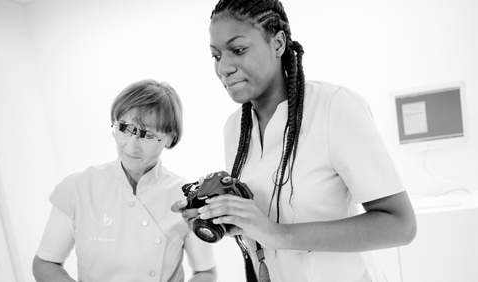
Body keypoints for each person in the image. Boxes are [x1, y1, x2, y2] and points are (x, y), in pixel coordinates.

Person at [172, 1, 418, 281]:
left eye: (238, 50)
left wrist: (278, 234)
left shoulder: (332, 107)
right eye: (216, 56)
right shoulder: (234, 130)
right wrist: (230, 221)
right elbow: (266, 229)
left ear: (278, 44)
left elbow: (401, 224)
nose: (223, 68)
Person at [33, 79, 217, 282]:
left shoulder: (185, 198)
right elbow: (45, 263)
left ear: (170, 138)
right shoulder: (78, 188)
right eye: (124, 128)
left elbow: (205, 272)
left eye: (147, 135)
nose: (131, 147)